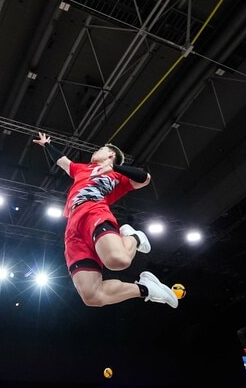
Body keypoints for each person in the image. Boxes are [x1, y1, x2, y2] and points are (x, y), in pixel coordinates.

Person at [31, 132, 178, 308]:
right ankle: (147, 289)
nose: (95, 151)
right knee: (92, 297)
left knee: (119, 261)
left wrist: (115, 168)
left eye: (101, 149)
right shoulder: (81, 169)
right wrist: (47, 145)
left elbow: (144, 178)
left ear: (111, 154)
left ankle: (134, 237)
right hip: (72, 227)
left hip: (93, 211)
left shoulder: (118, 177)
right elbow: (62, 161)